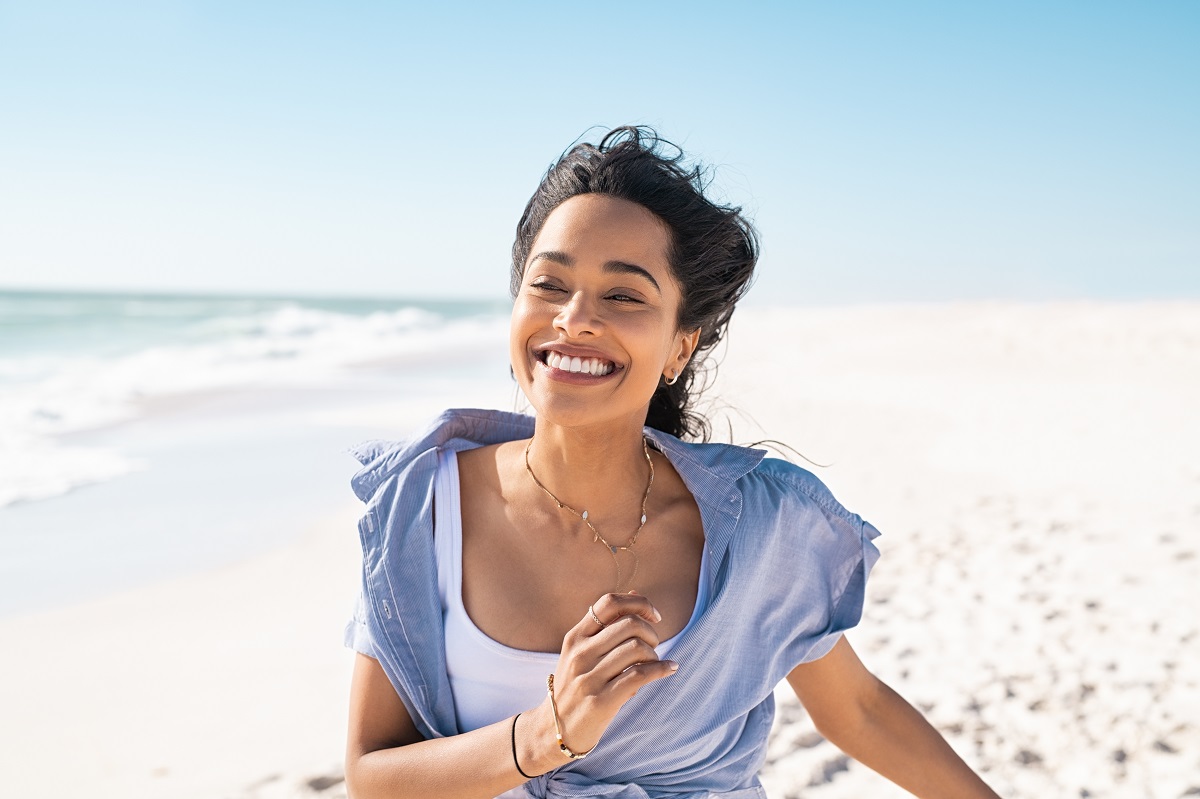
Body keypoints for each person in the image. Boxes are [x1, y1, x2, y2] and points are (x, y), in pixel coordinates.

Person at [343, 126, 1000, 798]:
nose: (574, 319)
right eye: (548, 284)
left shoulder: (760, 525)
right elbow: (372, 775)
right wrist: (545, 733)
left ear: (679, 347)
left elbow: (857, 709)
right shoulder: (424, 504)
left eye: (623, 295)